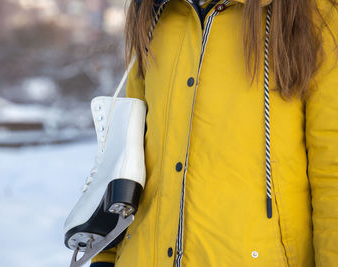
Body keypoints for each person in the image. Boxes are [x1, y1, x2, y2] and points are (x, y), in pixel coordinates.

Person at [90, 0, 338, 266]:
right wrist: (105, 254)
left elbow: (331, 174)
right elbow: (126, 154)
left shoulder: (314, 16)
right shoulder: (154, 13)